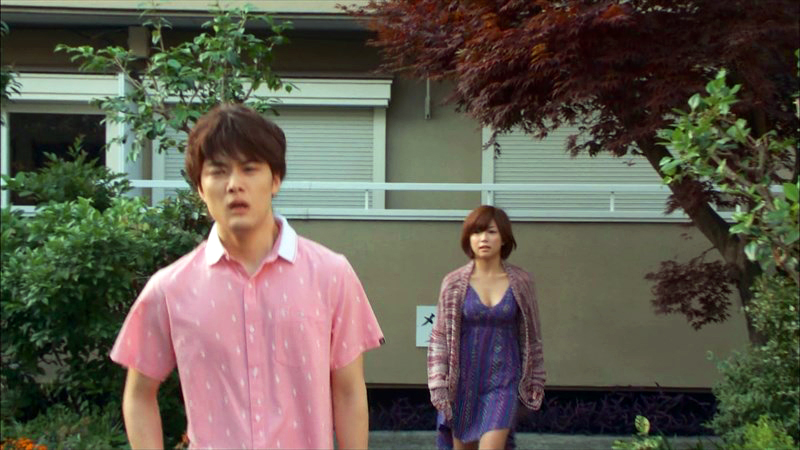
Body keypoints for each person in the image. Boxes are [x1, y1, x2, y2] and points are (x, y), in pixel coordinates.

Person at [110, 104, 385, 449]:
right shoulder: (170, 288)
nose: (234, 185)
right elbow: (139, 394)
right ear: (200, 188)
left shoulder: (331, 275)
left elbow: (348, 391)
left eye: (250, 169)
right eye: (218, 171)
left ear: (275, 179)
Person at [428, 205, 545, 450]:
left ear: (504, 238)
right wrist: (438, 383)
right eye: (476, 232)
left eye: (491, 232)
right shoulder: (452, 283)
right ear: (468, 238)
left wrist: (535, 378)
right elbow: (439, 337)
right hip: (462, 383)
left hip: (504, 381)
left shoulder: (521, 282)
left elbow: (532, 335)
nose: (483, 238)